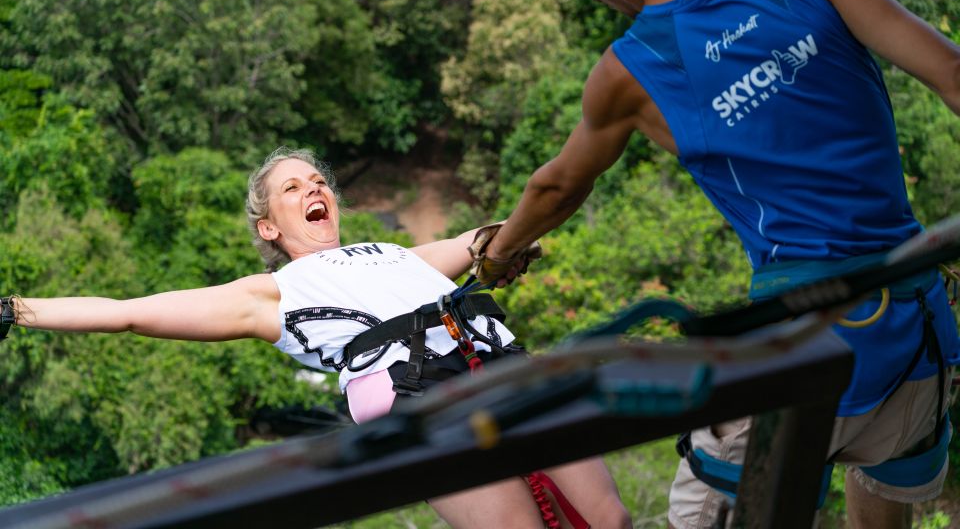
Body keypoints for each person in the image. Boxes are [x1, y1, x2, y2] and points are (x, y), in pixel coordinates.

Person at [472, 0, 960, 528]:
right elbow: (952, 73)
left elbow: (557, 188)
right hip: (917, 324)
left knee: (705, 513)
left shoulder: (633, 69)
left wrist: (499, 253)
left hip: (804, 341)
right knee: (878, 477)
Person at [1, 146, 631, 529]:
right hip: (424, 410)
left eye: (319, 182)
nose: (314, 191)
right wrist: (16, 309)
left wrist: (511, 242)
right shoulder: (272, 295)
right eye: (293, 189)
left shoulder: (396, 254)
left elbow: (480, 242)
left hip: (501, 368)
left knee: (610, 518)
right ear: (268, 226)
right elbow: (129, 311)